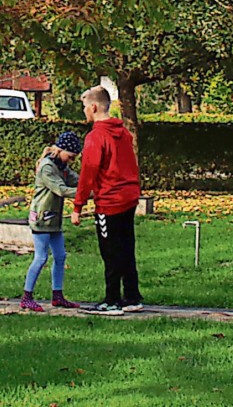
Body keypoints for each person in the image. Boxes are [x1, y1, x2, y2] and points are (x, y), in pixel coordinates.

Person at [71, 86, 142, 315]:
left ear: (93, 107)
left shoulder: (96, 137)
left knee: (110, 250)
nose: (84, 111)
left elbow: (88, 174)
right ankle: (131, 296)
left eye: (84, 107)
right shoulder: (124, 133)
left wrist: (77, 206)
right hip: (129, 197)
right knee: (126, 247)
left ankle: (112, 300)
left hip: (109, 201)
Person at [21, 131, 84, 312]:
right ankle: (27, 297)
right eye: (70, 157)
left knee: (60, 256)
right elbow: (61, 189)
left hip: (54, 219)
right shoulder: (47, 167)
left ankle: (58, 296)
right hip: (41, 218)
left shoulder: (61, 166)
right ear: (61, 150)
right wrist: (89, 194)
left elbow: (77, 181)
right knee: (41, 258)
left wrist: (94, 184)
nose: (71, 161)